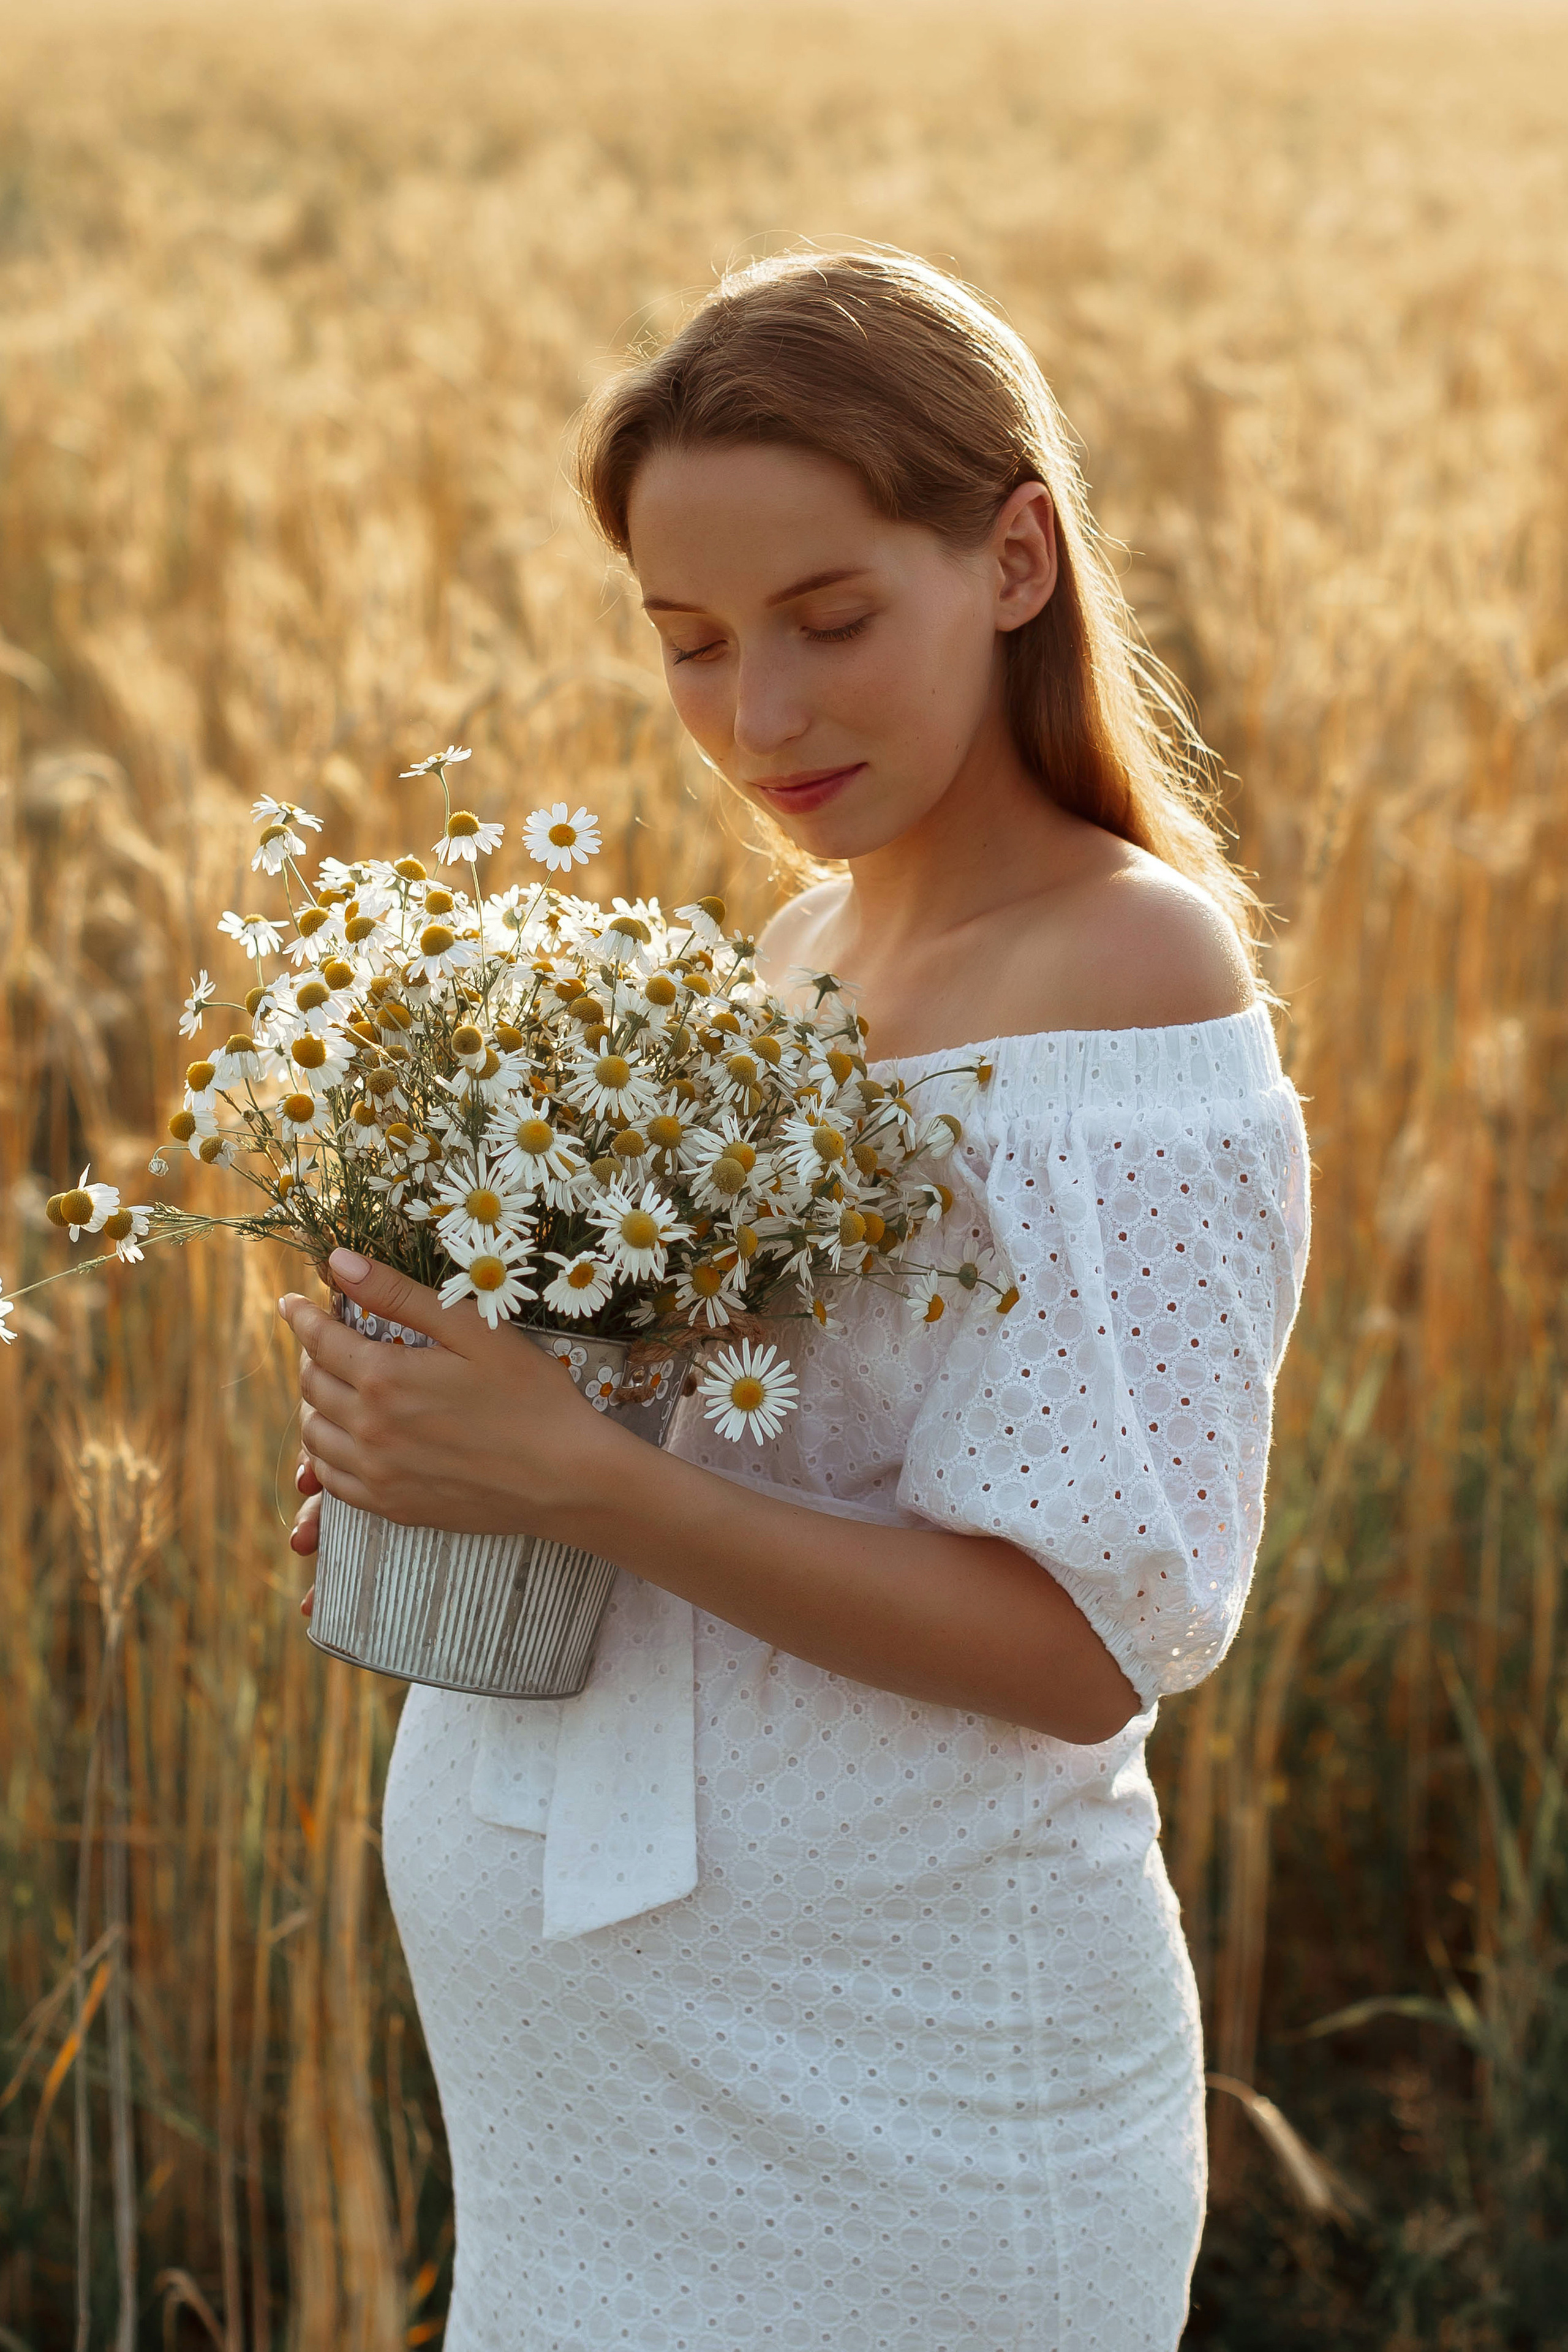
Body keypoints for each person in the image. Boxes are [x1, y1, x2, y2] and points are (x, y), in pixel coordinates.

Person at [280, 246, 1312, 2351]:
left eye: (832, 622)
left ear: (1015, 556)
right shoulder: (793, 953)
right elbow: (764, 1472)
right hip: (596, 2129)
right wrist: (456, 1457)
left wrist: (586, 1486)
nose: (758, 716)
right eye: (690, 644)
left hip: (903, 2112)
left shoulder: (1127, 974)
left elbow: (1086, 1639)